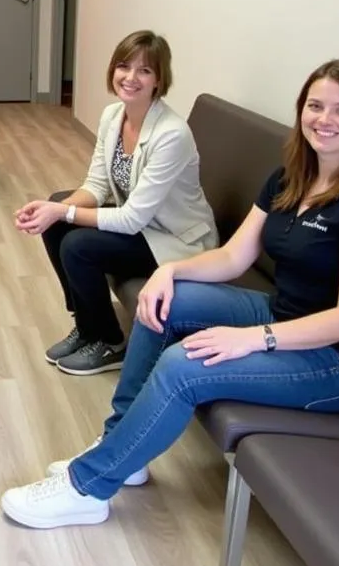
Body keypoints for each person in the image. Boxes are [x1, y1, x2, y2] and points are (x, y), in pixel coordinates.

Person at [1, 59, 339, 530]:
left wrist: (253, 339)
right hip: (284, 314)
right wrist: (169, 271)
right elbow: (233, 258)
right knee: (166, 304)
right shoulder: (290, 177)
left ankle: (88, 488)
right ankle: (123, 449)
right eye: (315, 105)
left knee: (184, 365)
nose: (324, 120)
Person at [15, 31, 217, 375]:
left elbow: (133, 219)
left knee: (78, 244)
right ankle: (87, 325)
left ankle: (111, 342)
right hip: (143, 223)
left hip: (174, 239)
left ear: (159, 80)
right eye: (124, 66)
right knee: (58, 214)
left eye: (145, 71)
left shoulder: (171, 134)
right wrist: (55, 211)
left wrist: (65, 213)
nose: (131, 78)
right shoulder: (113, 116)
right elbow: (95, 184)